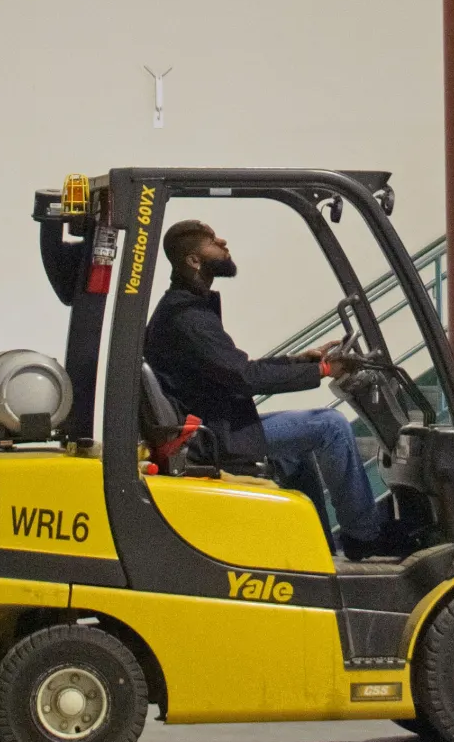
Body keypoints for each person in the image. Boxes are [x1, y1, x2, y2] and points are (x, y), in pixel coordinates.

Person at [143, 219, 387, 558]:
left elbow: (236, 367)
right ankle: (366, 539)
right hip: (213, 437)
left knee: (298, 452)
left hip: (218, 426)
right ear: (194, 261)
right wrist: (322, 370)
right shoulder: (187, 317)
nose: (223, 242)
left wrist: (301, 361)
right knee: (331, 427)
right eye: (213, 241)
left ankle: (319, 553)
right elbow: (245, 377)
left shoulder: (189, 308)